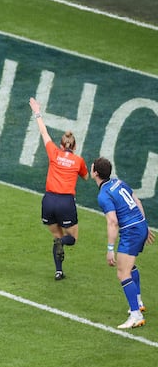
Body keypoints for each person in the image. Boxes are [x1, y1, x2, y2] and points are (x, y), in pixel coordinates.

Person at [29, 98, 90, 281]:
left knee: (56, 235)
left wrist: (37, 111)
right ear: (75, 146)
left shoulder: (54, 152)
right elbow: (86, 177)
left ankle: (58, 271)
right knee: (71, 238)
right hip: (65, 202)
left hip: (48, 200)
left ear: (61, 145)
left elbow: (43, 131)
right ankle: (61, 243)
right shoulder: (78, 161)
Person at [90, 157, 154, 329]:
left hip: (131, 232)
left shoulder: (103, 195)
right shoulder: (118, 182)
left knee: (122, 272)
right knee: (129, 266)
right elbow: (137, 201)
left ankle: (136, 315)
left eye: (92, 167)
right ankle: (138, 302)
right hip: (139, 225)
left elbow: (113, 222)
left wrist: (110, 249)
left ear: (96, 173)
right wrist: (144, 225)